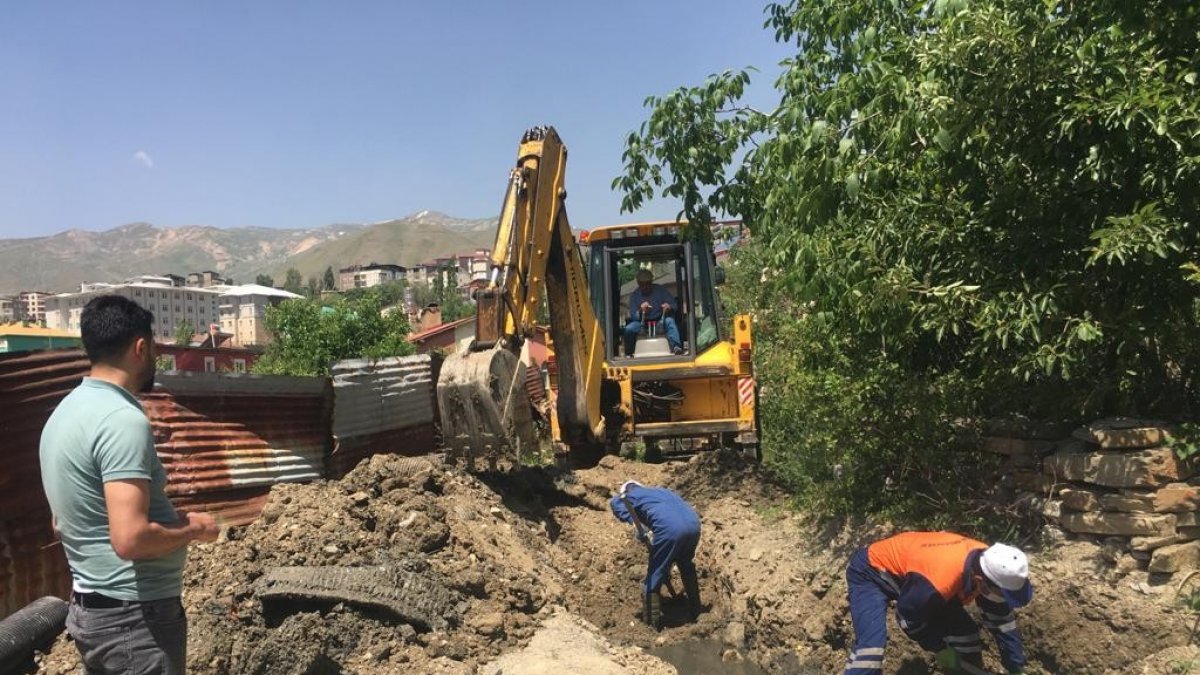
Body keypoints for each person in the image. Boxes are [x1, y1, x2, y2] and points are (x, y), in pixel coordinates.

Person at [40, 295, 221, 674]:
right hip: (135, 622)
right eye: (154, 347)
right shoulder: (121, 419)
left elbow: (62, 522)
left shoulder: (64, 413)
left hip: (97, 612)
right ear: (141, 347)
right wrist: (193, 528)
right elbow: (131, 540)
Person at [844, 531, 1033, 674]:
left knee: (966, 635)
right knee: (871, 648)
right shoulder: (938, 583)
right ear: (981, 583)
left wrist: (1016, 668)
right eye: (1002, 595)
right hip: (870, 572)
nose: (1002, 600)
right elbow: (907, 618)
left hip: (917, 575)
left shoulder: (991, 566)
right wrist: (939, 648)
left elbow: (1003, 623)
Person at [609, 480, 702, 629]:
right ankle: (697, 611)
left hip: (670, 529)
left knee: (655, 573)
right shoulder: (661, 491)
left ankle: (652, 625)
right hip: (694, 525)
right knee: (686, 565)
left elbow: (616, 503)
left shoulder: (630, 495)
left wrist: (636, 525)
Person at [623, 268, 682, 356]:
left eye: (648, 284)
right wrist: (641, 311)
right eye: (642, 284)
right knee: (629, 329)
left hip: (659, 320)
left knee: (670, 321)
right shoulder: (635, 295)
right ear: (638, 283)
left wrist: (668, 306)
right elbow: (633, 315)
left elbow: (674, 304)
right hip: (641, 322)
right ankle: (629, 352)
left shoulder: (660, 290)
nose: (645, 287)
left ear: (651, 282)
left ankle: (676, 347)